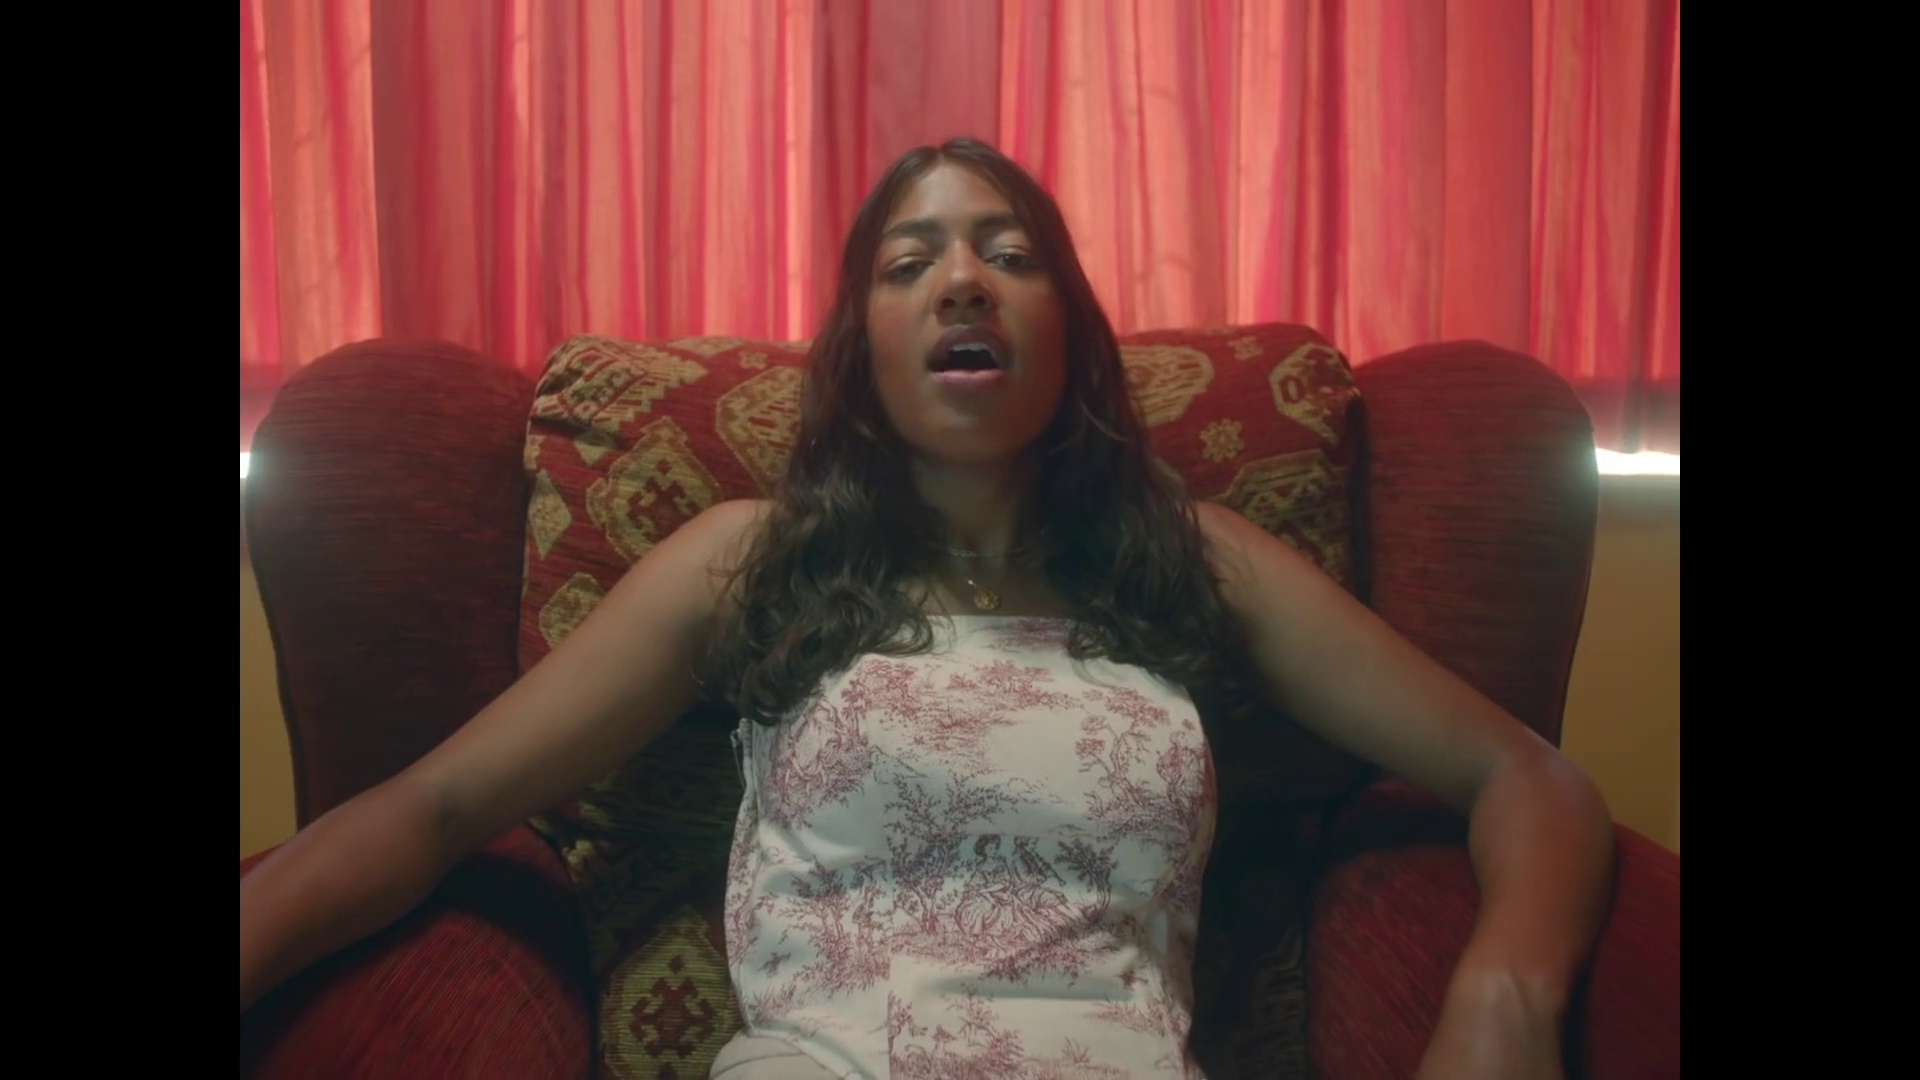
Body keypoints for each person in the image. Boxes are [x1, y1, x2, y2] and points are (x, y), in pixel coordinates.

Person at [239, 137, 1615, 1079]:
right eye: (910, 264)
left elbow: (1527, 777)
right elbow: (436, 806)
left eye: (1008, 254)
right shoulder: (747, 561)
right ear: (865, 352)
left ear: (1067, 327)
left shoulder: (1196, 559)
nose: (962, 279)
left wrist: (1503, 996)